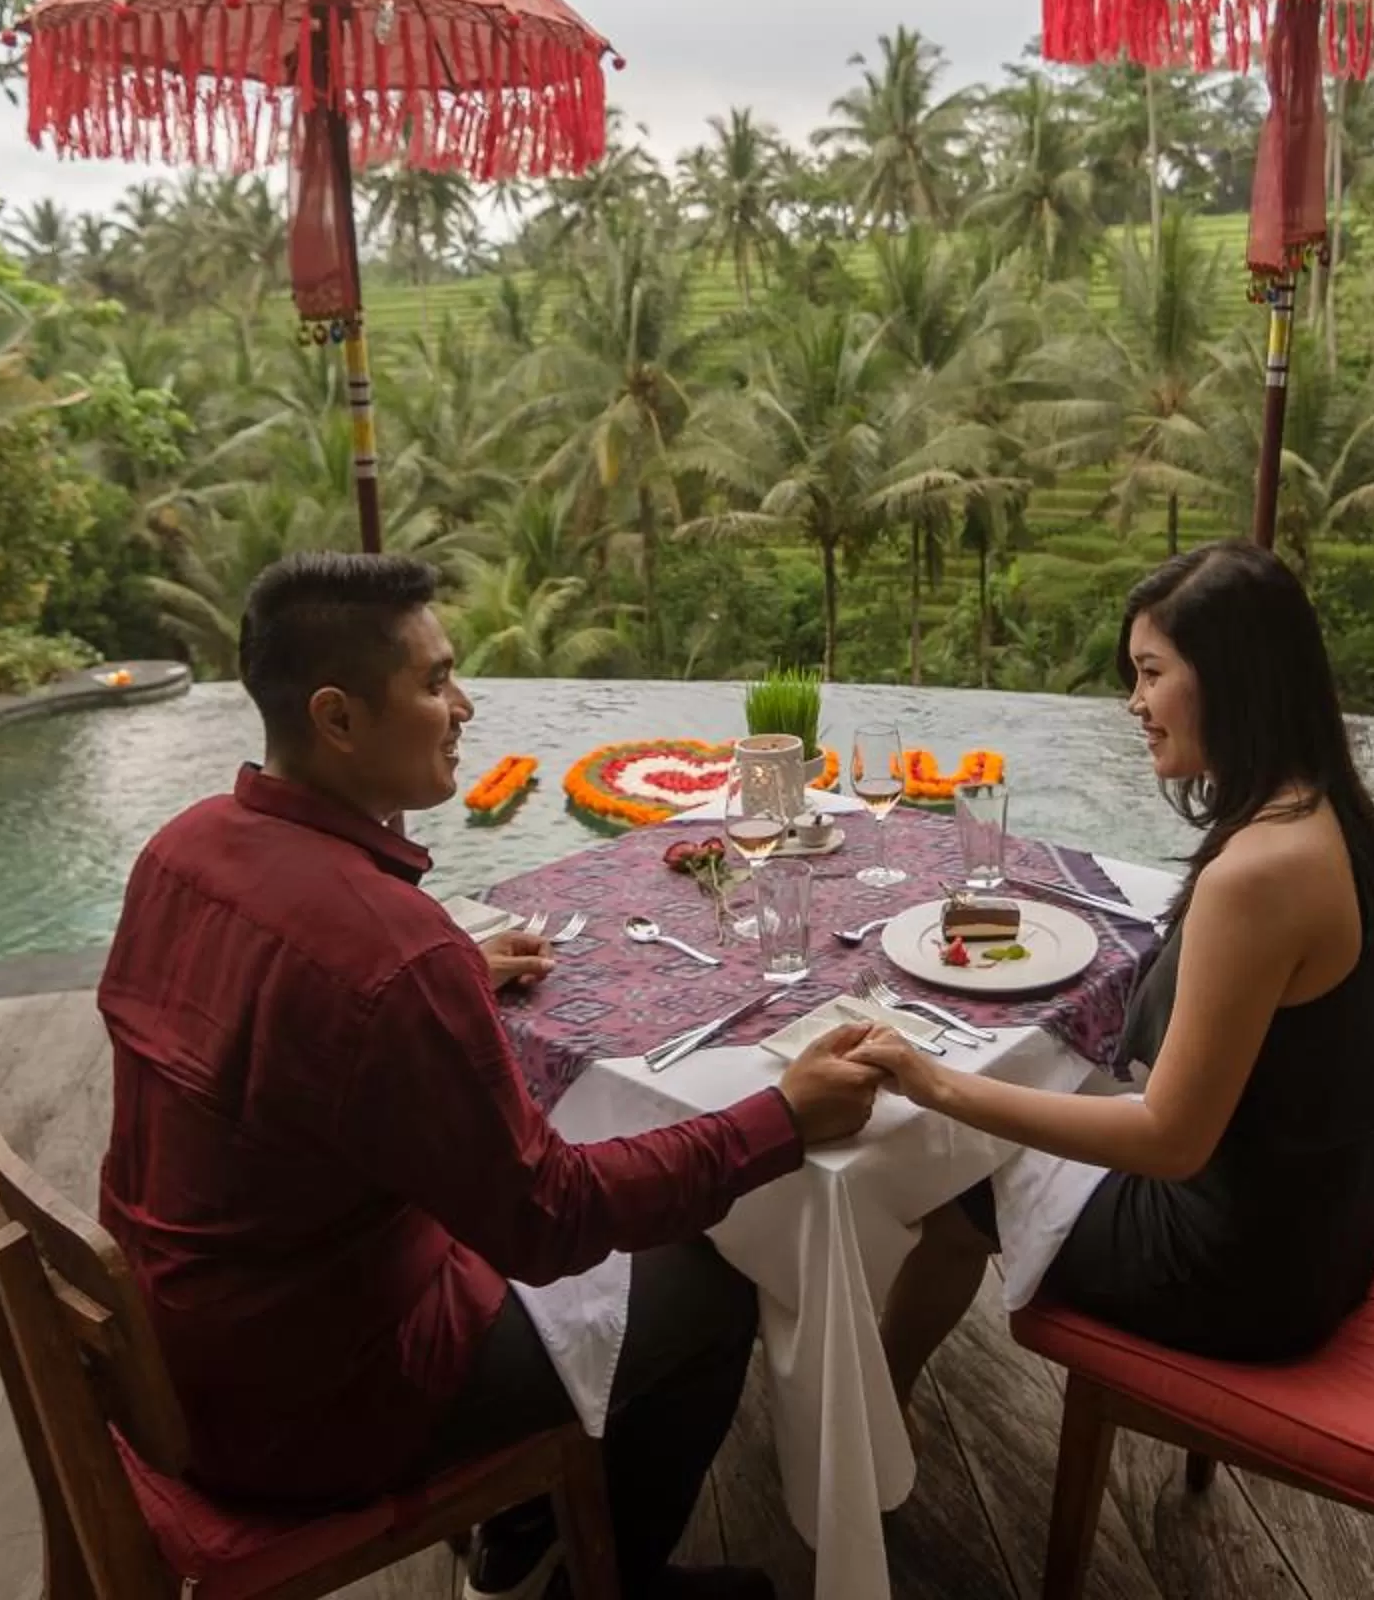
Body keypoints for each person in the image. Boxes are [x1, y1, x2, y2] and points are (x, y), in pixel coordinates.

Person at [96, 552, 882, 1600]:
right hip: (311, 1409)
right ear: (336, 717)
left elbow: (272, 1029)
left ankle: (525, 1529)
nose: (462, 705)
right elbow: (547, 1218)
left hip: (178, 1341)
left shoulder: (183, 848)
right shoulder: (389, 951)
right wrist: (782, 1114)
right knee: (713, 1275)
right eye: (432, 682)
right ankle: (599, 1581)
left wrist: (449, 971)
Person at [849, 540, 1374, 1397]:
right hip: (1327, 1232)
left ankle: (873, 1416)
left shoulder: (1258, 872)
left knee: (954, 1173)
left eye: (1152, 674)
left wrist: (934, 1084)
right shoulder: (1327, 810)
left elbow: (1170, 1139)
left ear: (1231, 678)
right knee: (1024, 1113)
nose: (1135, 703)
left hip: (1241, 1275)